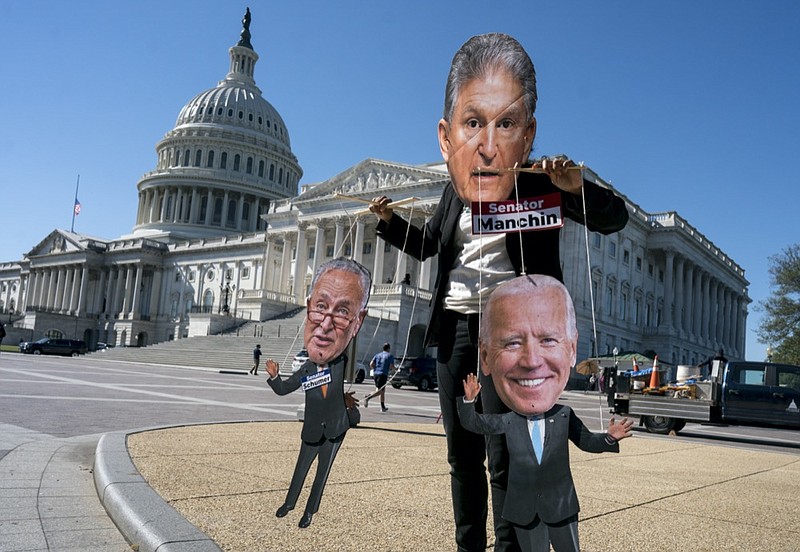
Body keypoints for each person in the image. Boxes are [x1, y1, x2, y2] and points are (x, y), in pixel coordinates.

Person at [369, 33, 629, 552]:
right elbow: (428, 248)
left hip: (508, 336)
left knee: (505, 456)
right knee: (460, 454)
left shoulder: (537, 185)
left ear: (525, 134)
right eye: (473, 124)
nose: (487, 142)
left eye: (504, 123)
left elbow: (613, 218)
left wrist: (576, 188)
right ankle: (469, 546)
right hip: (457, 331)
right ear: (450, 136)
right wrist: (389, 220)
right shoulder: (454, 189)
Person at [458, 275, 633, 551]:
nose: (532, 361)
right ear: (485, 359)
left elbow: (586, 441)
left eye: (549, 340)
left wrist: (609, 438)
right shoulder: (509, 420)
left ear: (572, 351)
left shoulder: (564, 416)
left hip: (561, 506)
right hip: (525, 509)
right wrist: (469, 401)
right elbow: (476, 424)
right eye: (512, 343)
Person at [264, 257, 371, 528]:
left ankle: (309, 512)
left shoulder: (339, 361)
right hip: (312, 430)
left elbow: (339, 353)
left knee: (321, 476)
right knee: (300, 470)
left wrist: (346, 402)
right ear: (308, 306)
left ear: (357, 322)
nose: (324, 325)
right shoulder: (306, 369)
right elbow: (285, 388)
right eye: (320, 307)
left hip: (335, 430)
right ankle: (289, 503)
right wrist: (275, 376)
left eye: (343, 312)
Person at [365, 342, 395, 411]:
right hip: (383, 374)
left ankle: (382, 406)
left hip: (376, 374)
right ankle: (368, 397)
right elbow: (391, 366)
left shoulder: (378, 355)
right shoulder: (389, 356)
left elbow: (371, 363)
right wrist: (395, 370)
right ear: (388, 349)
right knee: (380, 391)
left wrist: (375, 369)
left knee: (381, 390)